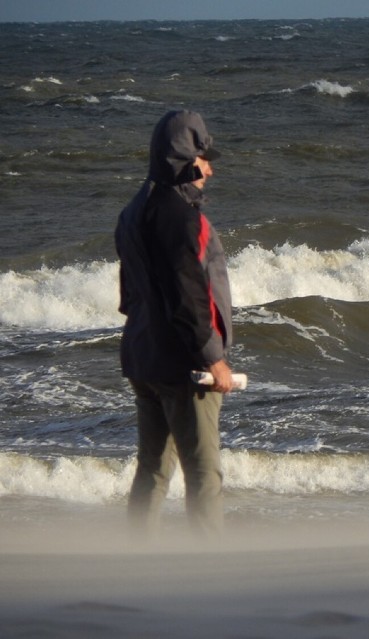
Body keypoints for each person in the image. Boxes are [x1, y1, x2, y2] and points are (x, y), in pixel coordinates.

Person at [115, 110, 234, 539]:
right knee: (204, 474)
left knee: (152, 469)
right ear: (186, 159)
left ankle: (134, 556)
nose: (210, 168)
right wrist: (213, 358)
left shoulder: (132, 211)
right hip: (184, 367)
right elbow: (191, 297)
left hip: (142, 357)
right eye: (204, 158)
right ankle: (209, 569)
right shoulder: (185, 218)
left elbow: (128, 296)